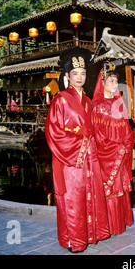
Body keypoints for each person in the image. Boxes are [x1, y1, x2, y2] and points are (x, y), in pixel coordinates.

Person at [45, 47, 110, 252]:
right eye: (75, 74)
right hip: (70, 160)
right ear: (67, 76)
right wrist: (82, 145)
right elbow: (53, 132)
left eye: (83, 73)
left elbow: (95, 130)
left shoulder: (88, 101)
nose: (80, 77)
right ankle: (74, 240)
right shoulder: (60, 99)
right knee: (73, 199)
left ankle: (89, 235)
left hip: (90, 160)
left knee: (89, 195)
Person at [92, 67, 135, 235]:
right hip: (109, 155)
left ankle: (121, 222)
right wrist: (117, 148)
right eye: (111, 81)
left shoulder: (119, 105)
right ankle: (109, 226)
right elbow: (99, 137)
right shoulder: (98, 107)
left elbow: (127, 130)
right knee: (111, 190)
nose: (115, 84)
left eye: (116, 81)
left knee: (121, 189)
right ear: (102, 83)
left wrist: (126, 144)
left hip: (120, 154)